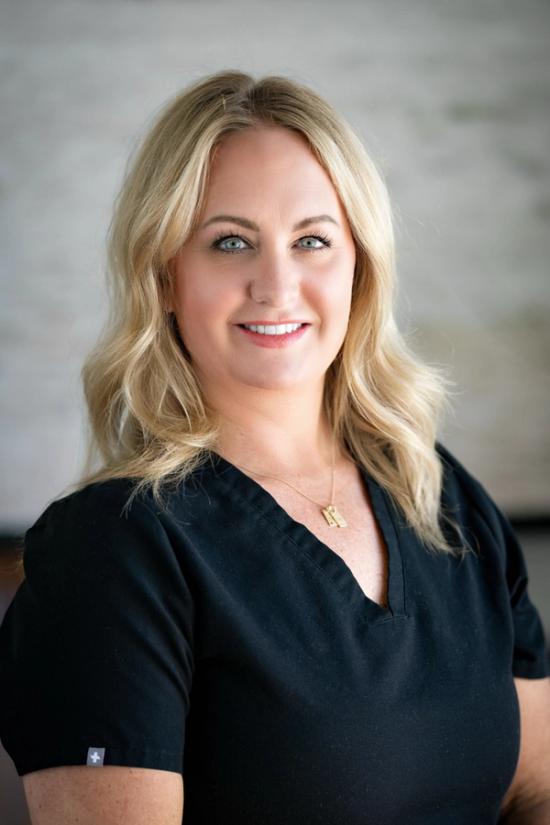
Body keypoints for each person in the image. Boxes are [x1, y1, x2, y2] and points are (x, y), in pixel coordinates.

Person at [0, 70, 549, 825]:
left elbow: (535, 788)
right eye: (231, 242)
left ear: (360, 266)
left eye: (313, 240)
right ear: (164, 275)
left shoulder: (442, 497)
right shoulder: (114, 547)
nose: (277, 283)